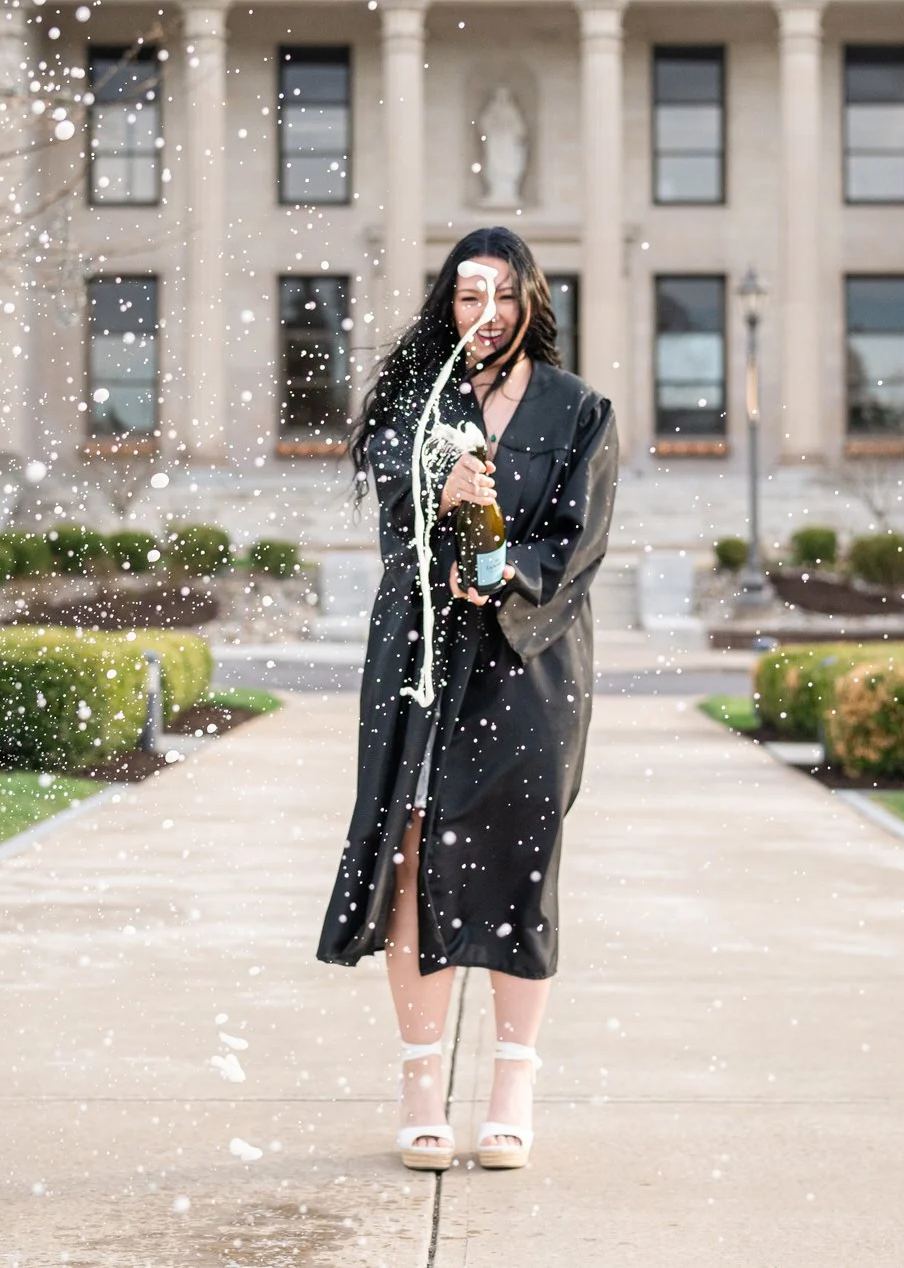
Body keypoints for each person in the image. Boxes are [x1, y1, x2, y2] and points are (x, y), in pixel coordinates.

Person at [318, 226, 618, 1173]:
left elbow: (581, 545)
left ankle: (513, 1082)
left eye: (501, 296)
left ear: (532, 300)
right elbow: (394, 543)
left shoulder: (579, 411)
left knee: (521, 858)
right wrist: (438, 502)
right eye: (465, 297)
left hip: (533, 666)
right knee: (418, 858)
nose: (484, 316)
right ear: (446, 304)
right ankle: (419, 1086)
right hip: (424, 657)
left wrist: (508, 571)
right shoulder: (419, 400)